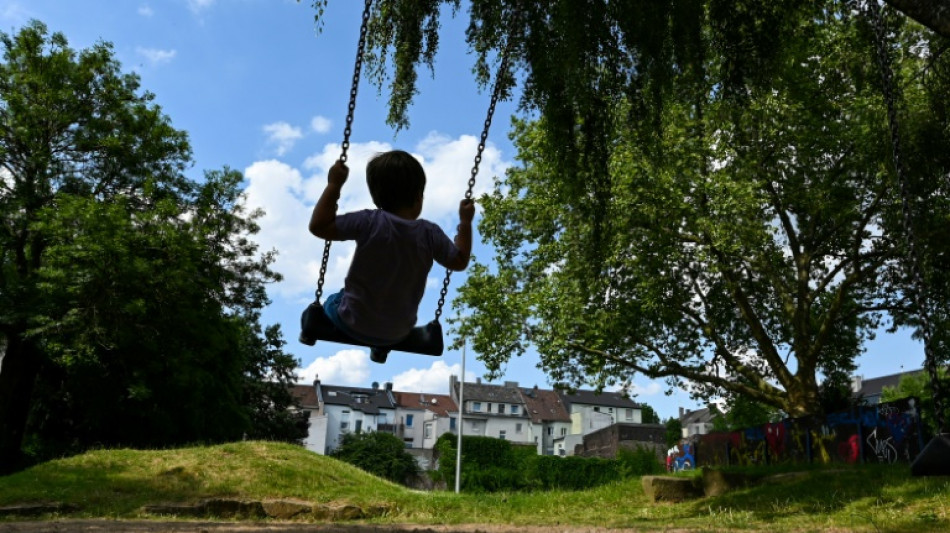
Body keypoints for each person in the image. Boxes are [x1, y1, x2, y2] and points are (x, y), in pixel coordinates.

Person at [309, 150, 474, 363]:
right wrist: (466, 223)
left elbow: (319, 226)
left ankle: (321, 334)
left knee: (333, 301)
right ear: (418, 198)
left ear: (377, 197)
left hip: (351, 321)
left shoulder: (368, 221)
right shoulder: (429, 233)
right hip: (397, 332)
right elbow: (459, 261)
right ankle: (380, 348)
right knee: (384, 306)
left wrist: (334, 185)